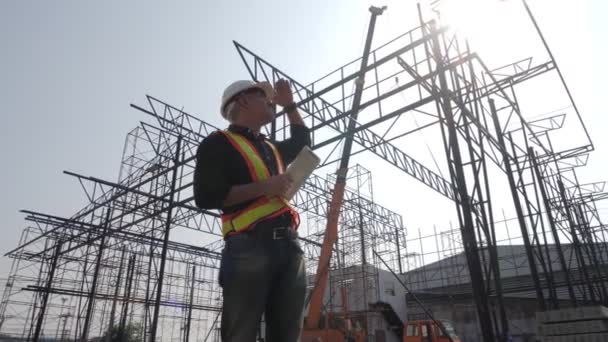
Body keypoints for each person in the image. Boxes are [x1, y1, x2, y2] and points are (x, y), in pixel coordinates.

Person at [193, 79, 310, 342]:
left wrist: (289, 104)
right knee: (241, 333)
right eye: (264, 97)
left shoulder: (272, 147)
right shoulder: (218, 143)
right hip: (249, 246)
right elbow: (206, 196)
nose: (271, 102)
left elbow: (303, 140)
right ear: (243, 100)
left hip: (289, 246)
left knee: (288, 334)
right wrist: (266, 186)